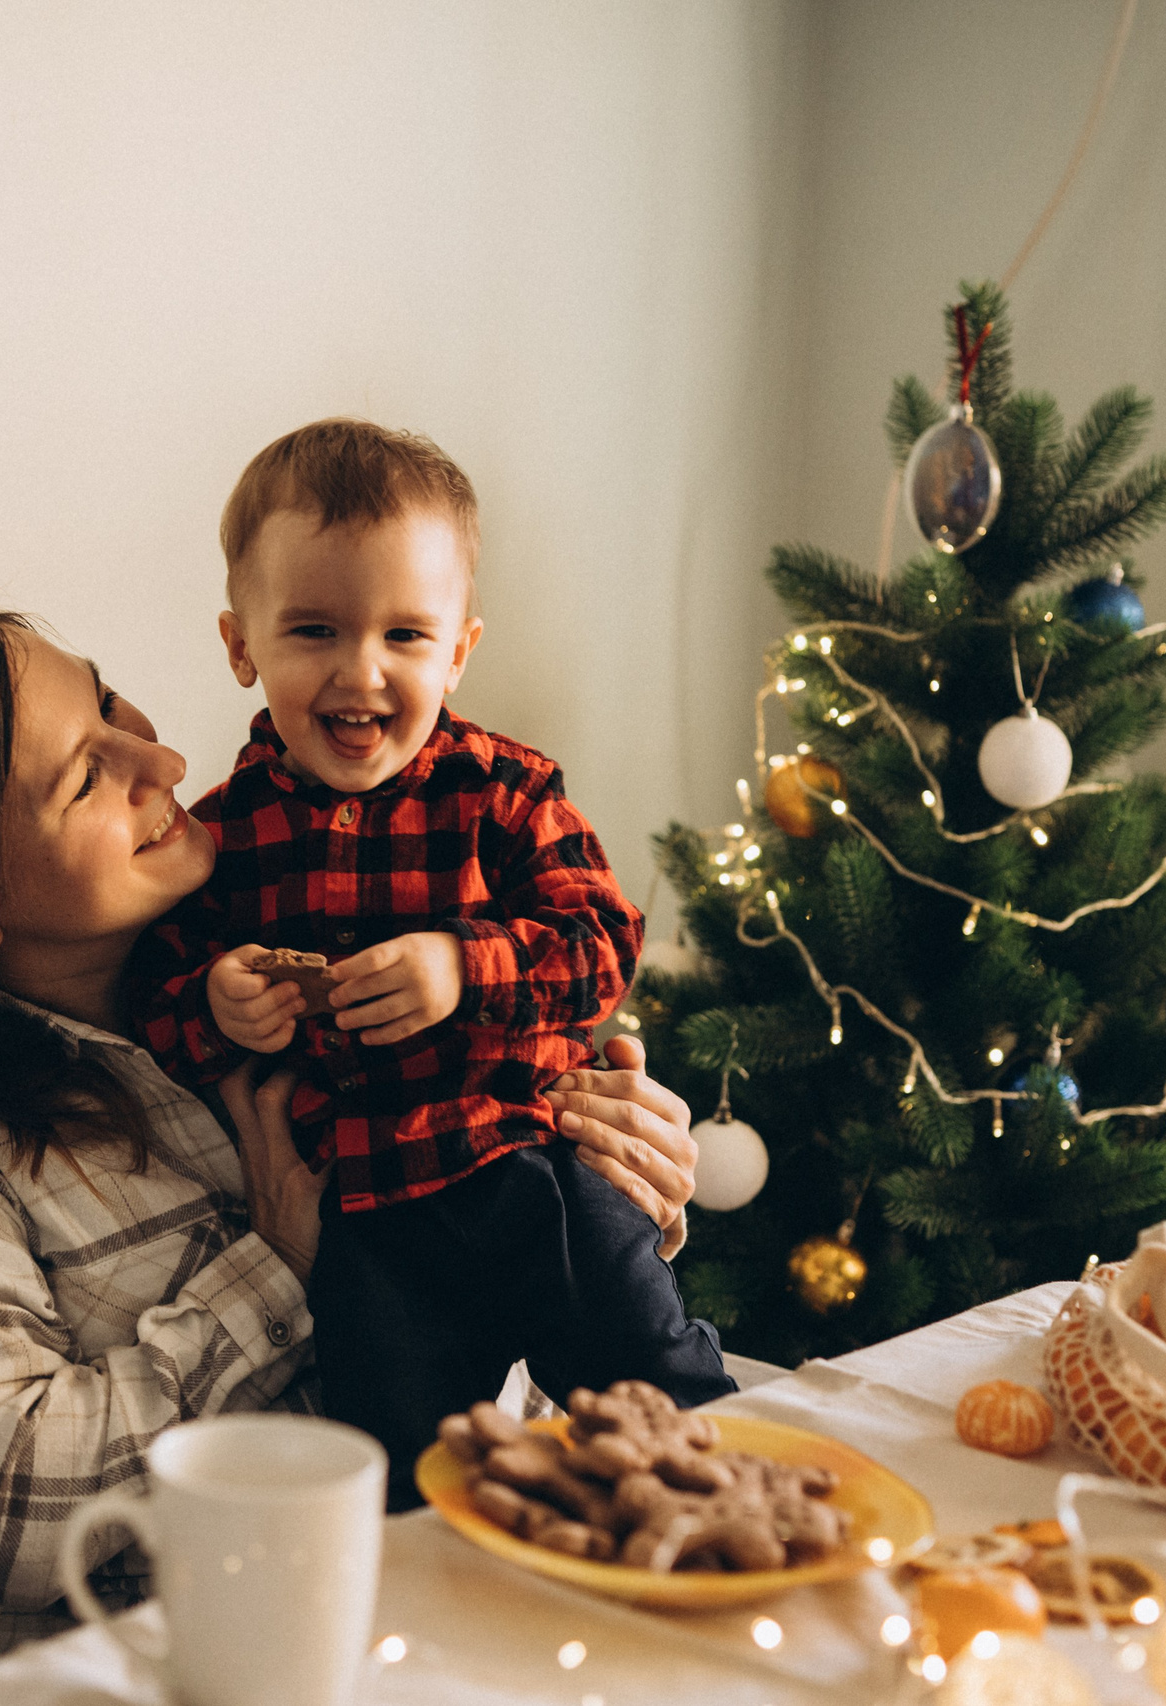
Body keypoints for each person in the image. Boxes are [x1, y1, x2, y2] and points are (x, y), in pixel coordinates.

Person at [0, 602, 703, 1653]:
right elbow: (2, 1505)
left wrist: (599, 1164)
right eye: (84, 776)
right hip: (212, 1657)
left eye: (109, 702)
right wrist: (275, 1263)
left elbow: (504, 1250)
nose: (160, 756)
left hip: (501, 1584)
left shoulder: (297, 924)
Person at [128, 420, 731, 1506]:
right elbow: (156, 997)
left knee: (665, 1392)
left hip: (536, 1166)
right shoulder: (223, 838)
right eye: (313, 628)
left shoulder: (505, 793)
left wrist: (465, 967)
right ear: (239, 643)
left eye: (405, 634)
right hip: (369, 1219)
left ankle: (741, 1541)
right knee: (403, 1476)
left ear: (458, 648)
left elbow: (604, 941)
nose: (362, 671)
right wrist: (218, 1006)